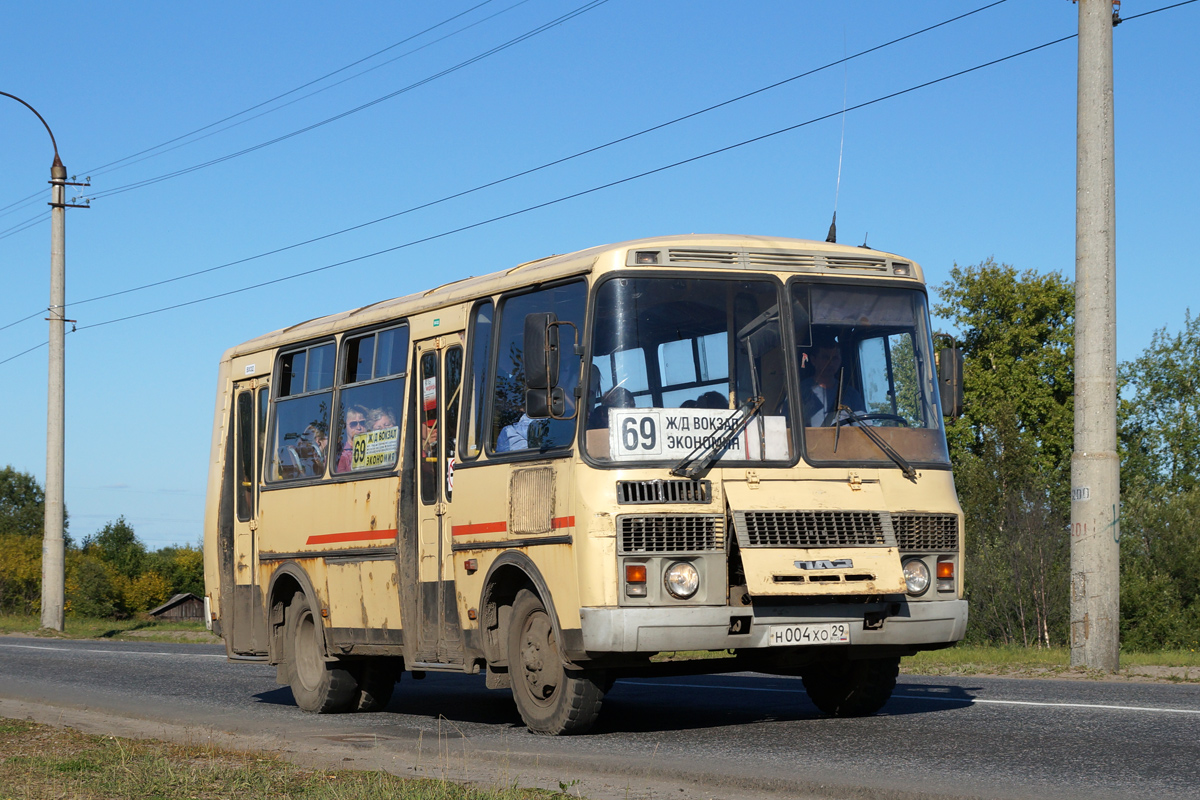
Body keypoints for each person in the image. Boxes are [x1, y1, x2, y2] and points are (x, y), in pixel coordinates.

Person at [800, 331, 864, 427]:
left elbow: (864, 430)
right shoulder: (800, 393)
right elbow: (788, 426)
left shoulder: (850, 395)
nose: (830, 363)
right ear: (813, 360)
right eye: (825, 358)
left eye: (835, 358)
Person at [336, 404, 370, 472]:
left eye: (362, 422)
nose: (359, 428)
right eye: (353, 424)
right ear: (345, 427)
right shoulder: (339, 453)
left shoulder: (374, 447)